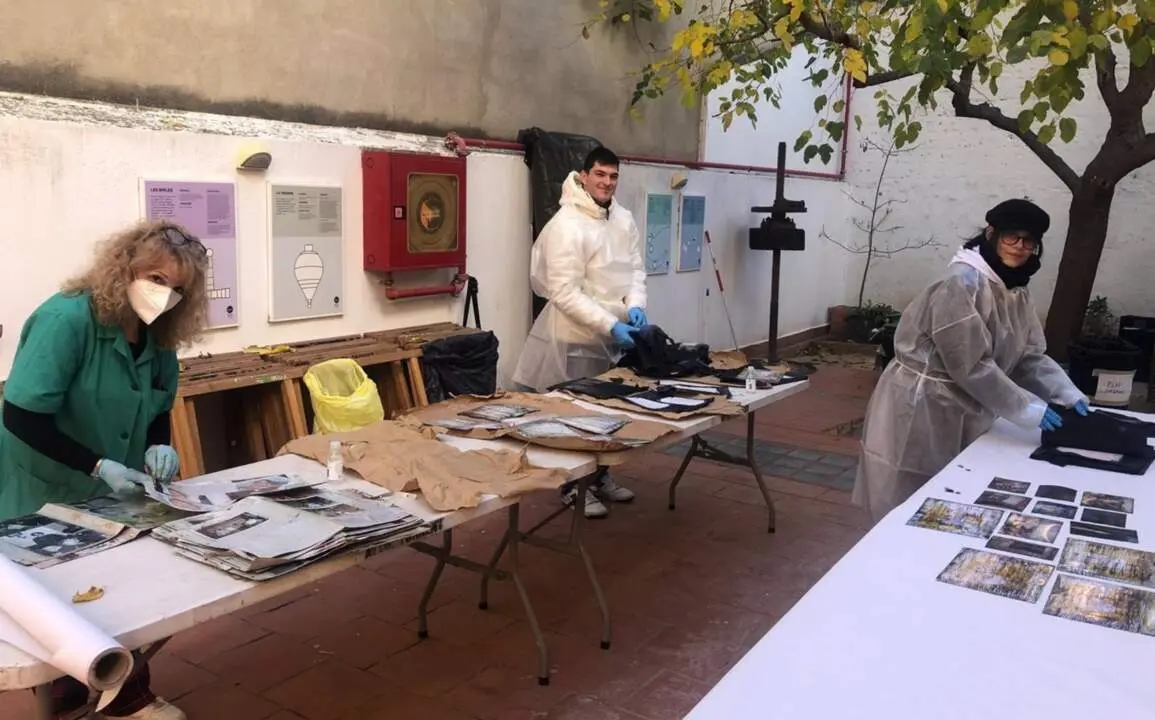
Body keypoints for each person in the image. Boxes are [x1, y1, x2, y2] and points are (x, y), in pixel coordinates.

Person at [0, 219, 209, 720]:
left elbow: (158, 405)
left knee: (119, 587)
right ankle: (97, 690)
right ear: (124, 269)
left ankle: (117, 690)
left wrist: (160, 447)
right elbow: (20, 414)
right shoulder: (67, 319)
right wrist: (98, 465)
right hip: (46, 477)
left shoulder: (159, 334)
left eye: (179, 289)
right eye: (156, 279)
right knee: (57, 594)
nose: (165, 296)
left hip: (112, 485)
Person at [853, 199, 1089, 524]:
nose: (1020, 248)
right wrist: (1028, 408)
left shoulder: (1013, 288)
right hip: (923, 404)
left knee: (953, 495)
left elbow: (1027, 355)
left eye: (1029, 241)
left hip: (966, 402)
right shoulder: (962, 282)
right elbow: (969, 364)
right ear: (992, 233)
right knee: (909, 492)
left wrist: (1065, 392)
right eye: (1012, 237)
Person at [512, 147, 647, 518]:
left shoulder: (622, 219)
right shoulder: (566, 225)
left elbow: (635, 269)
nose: (607, 182)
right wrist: (610, 325)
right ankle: (573, 486)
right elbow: (564, 292)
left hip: (611, 338)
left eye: (613, 176)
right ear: (583, 175)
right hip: (571, 337)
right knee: (574, 416)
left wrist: (635, 304)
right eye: (600, 174)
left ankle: (600, 476)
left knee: (609, 411)